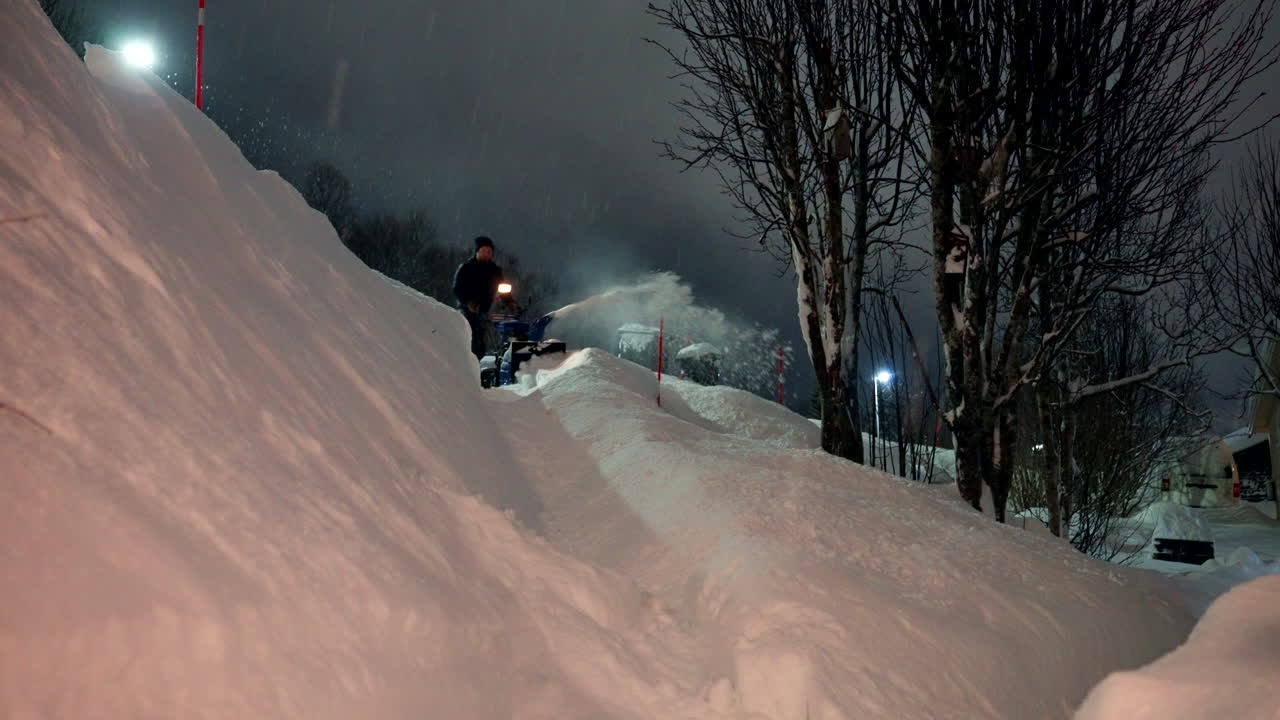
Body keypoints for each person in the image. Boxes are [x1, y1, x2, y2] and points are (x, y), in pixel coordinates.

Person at [452, 236, 507, 360]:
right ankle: (467, 362)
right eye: (484, 251)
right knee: (471, 335)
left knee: (484, 336)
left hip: (485, 308)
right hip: (467, 309)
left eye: (489, 252)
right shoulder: (466, 268)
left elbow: (503, 289)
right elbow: (458, 289)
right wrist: (468, 302)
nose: (487, 254)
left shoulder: (495, 271)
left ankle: (482, 361)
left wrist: (510, 303)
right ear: (477, 251)